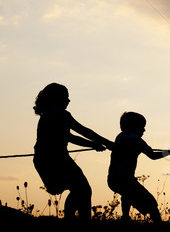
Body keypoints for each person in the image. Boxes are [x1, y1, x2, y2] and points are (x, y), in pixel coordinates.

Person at [33, 83, 113, 219]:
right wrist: (107, 143)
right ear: (57, 98)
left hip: (43, 160)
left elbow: (69, 137)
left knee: (79, 190)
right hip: (57, 160)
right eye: (66, 97)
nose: (68, 100)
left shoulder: (46, 116)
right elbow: (83, 131)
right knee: (83, 190)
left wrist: (94, 145)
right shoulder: (61, 114)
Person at [107, 112, 170, 223]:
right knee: (151, 203)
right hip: (125, 179)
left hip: (113, 179)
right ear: (134, 126)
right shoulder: (136, 139)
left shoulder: (120, 136)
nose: (144, 130)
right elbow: (152, 155)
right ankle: (159, 226)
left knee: (127, 194)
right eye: (142, 127)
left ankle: (125, 218)